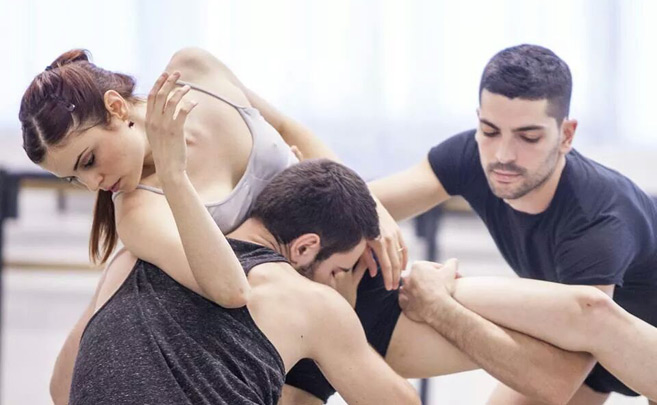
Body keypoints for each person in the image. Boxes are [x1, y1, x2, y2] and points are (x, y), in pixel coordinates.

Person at [18, 48, 407, 404]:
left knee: (430, 278)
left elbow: (287, 127)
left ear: (116, 108)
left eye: (88, 161)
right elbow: (233, 289)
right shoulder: (136, 212)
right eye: (75, 178)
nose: (92, 185)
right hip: (296, 303)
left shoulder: (193, 68)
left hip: (339, 235)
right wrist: (173, 173)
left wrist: (370, 209)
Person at [371, 44, 657, 404]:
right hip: (591, 358)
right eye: (490, 131)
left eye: (528, 137)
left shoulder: (597, 221)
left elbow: (556, 379)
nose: (503, 155)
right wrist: (372, 215)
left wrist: (438, 306)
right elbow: (362, 200)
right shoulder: (472, 155)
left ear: (566, 135)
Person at [67, 157, 420, 405]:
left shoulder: (132, 260)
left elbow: (60, 387)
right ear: (305, 248)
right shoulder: (309, 302)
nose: (340, 281)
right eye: (339, 270)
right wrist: (341, 318)